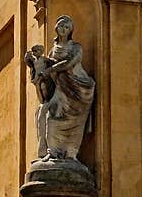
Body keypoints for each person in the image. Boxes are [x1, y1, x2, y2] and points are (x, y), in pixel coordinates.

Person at [32, 15, 95, 161]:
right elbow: (48, 65)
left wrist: (48, 70)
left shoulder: (75, 47)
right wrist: (36, 63)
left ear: (70, 30)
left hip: (78, 87)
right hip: (60, 87)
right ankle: (52, 151)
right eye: (61, 26)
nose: (63, 29)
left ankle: (71, 152)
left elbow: (69, 63)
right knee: (47, 115)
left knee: (74, 122)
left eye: (67, 27)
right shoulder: (53, 50)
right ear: (56, 28)